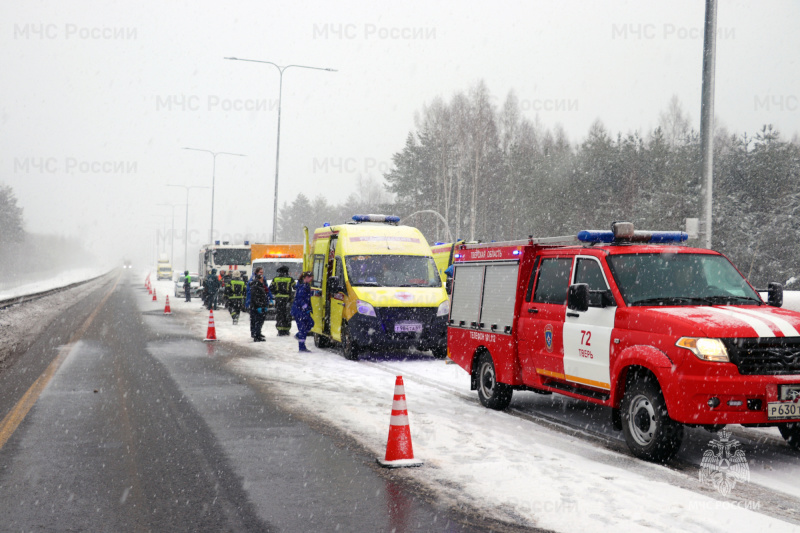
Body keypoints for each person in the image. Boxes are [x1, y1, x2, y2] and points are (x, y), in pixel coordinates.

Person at [291, 271, 315, 352]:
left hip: (302, 311)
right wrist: (306, 307)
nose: (312, 279)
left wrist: (313, 293)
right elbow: (300, 299)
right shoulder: (302, 286)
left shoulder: (305, 285)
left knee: (310, 324)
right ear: (306, 278)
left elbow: (306, 295)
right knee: (303, 329)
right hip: (299, 311)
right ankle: (301, 347)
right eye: (310, 277)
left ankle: (299, 336)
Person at [269, 265, 296, 336]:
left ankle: (280, 330)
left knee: (279, 314)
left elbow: (271, 289)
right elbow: (295, 287)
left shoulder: (275, 279)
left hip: (278, 299)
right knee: (287, 314)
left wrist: (276, 293)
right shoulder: (290, 279)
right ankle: (286, 330)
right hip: (287, 299)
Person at [249, 267, 270, 342]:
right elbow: (255, 297)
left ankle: (257, 334)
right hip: (256, 306)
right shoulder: (255, 285)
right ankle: (256, 335)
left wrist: (265, 304)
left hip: (260, 305)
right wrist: (259, 306)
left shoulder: (260, 285)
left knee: (260, 321)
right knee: (257, 321)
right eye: (260, 272)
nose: (262, 279)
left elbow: (264, 295)